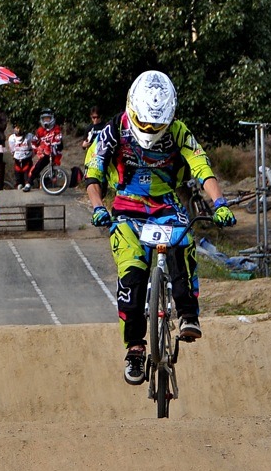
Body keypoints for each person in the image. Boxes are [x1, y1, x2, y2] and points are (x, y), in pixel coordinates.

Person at [84, 70, 236, 385]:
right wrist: (99, 206)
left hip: (166, 205)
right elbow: (94, 173)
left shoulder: (180, 132)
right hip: (127, 205)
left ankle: (188, 315)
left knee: (183, 245)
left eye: (157, 125)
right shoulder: (113, 130)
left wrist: (220, 202)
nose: (151, 130)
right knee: (133, 274)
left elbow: (201, 166)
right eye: (146, 124)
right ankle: (135, 348)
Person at [32, 110, 64, 184]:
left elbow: (59, 139)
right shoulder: (40, 130)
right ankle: (31, 182)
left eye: (48, 119)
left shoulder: (56, 128)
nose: (46, 121)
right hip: (44, 152)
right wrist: (36, 149)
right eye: (44, 119)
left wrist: (56, 143)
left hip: (54, 151)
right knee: (38, 166)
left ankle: (54, 179)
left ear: (52, 119)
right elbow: (34, 141)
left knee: (55, 164)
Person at [7, 125, 39, 191]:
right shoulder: (12, 138)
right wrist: (15, 154)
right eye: (16, 128)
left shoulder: (29, 136)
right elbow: (12, 149)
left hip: (27, 158)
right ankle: (19, 184)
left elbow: (34, 146)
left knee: (28, 174)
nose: (18, 130)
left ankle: (28, 184)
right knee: (18, 175)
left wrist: (31, 154)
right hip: (17, 159)